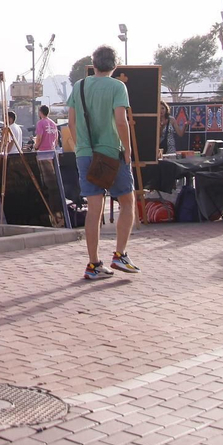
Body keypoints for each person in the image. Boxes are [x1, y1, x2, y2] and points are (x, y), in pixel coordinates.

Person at [65, 44, 139, 279]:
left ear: (93, 63)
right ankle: (120, 254)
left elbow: (71, 122)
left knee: (93, 209)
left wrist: (81, 147)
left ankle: (94, 264)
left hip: (85, 154)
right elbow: (120, 121)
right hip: (110, 153)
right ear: (114, 66)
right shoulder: (118, 87)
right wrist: (127, 150)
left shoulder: (80, 85)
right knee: (127, 201)